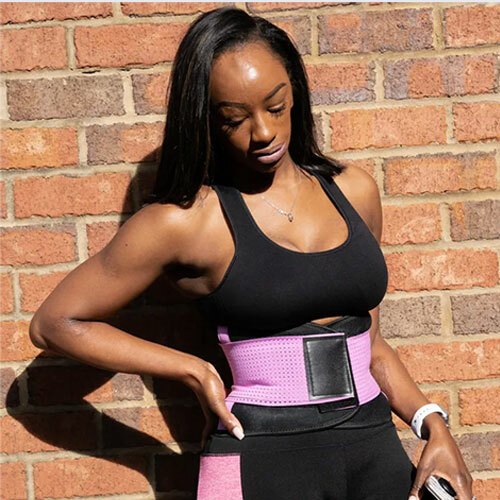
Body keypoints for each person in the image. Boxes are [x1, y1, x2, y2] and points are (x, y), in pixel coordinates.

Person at [29, 6, 474, 500]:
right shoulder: (190, 220)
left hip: (374, 450)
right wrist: (192, 369)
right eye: (234, 119)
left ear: (295, 92)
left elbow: (370, 343)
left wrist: (432, 424)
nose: (262, 132)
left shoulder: (355, 191)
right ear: (205, 120)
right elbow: (55, 323)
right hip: (260, 458)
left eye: (275, 106)